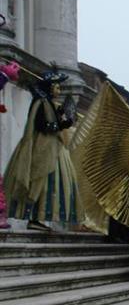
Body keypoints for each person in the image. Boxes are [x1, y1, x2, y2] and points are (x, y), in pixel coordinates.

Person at [5, 70, 80, 230]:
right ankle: (33, 218)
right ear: (50, 87)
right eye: (57, 87)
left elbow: (51, 121)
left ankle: (40, 218)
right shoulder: (40, 103)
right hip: (42, 148)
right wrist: (61, 125)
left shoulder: (48, 103)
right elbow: (41, 125)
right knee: (38, 181)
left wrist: (61, 117)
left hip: (53, 148)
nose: (59, 91)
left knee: (51, 183)